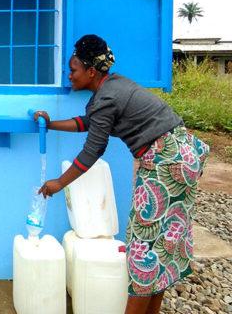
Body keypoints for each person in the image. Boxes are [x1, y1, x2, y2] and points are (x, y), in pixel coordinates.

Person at [33, 34, 209, 314]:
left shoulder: (106, 97)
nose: (70, 75)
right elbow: (88, 124)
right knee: (161, 245)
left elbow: (92, 150)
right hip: (182, 154)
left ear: (91, 71)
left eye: (74, 69)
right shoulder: (111, 88)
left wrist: (58, 183)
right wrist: (50, 123)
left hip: (166, 162)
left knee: (143, 249)